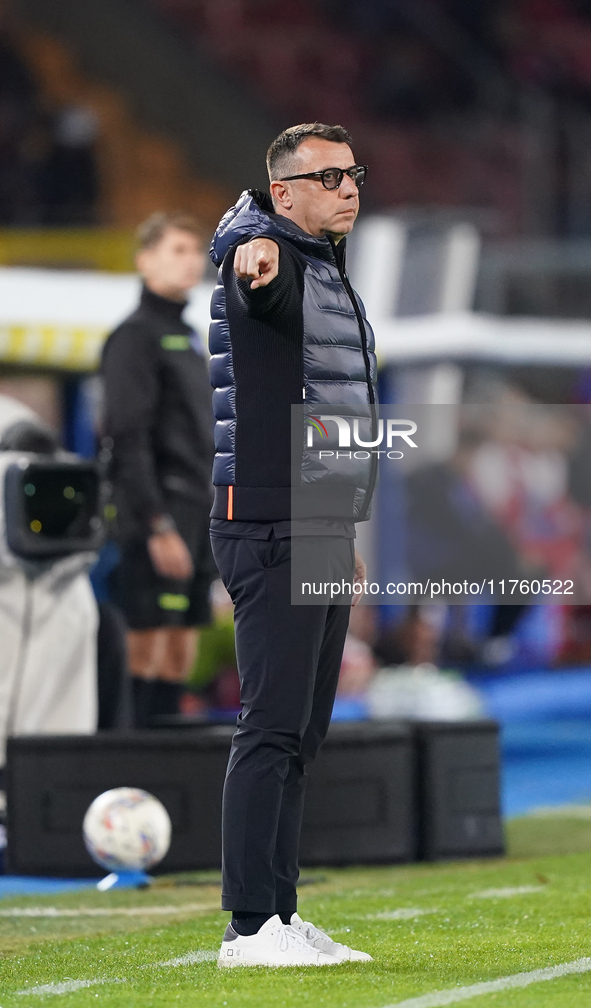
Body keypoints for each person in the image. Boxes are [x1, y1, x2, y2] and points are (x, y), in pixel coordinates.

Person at [209, 123, 376, 967]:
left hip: (311, 517)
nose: (350, 187)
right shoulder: (266, 253)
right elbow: (250, 277)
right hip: (268, 516)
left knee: (302, 731)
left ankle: (278, 913)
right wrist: (252, 253)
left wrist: (338, 523)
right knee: (269, 726)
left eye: (354, 173)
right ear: (284, 193)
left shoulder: (321, 264)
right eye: (331, 176)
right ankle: (245, 929)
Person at [102, 212, 214, 727]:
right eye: (177, 249)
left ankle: (168, 773)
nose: (190, 260)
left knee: (180, 647)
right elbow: (127, 437)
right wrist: (157, 524)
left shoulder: (189, 336)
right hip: (159, 518)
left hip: (197, 513)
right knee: (146, 648)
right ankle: (130, 767)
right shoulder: (134, 337)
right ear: (144, 260)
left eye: (195, 250)